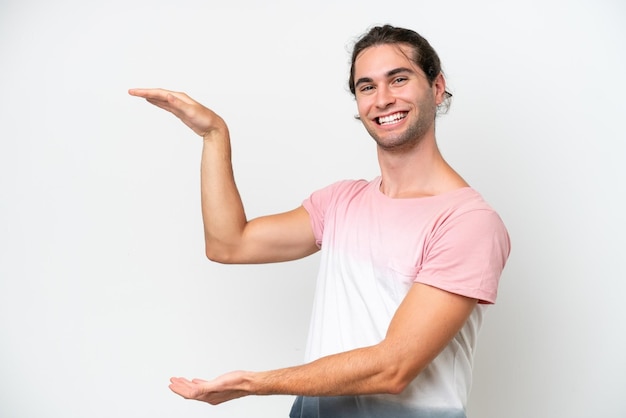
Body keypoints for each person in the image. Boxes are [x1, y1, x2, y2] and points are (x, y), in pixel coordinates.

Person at [129, 24, 510, 418]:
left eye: (399, 79)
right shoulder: (341, 202)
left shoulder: (467, 222)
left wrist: (252, 384)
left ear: (435, 86)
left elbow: (394, 368)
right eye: (366, 87)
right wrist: (214, 134)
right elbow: (230, 244)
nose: (383, 99)